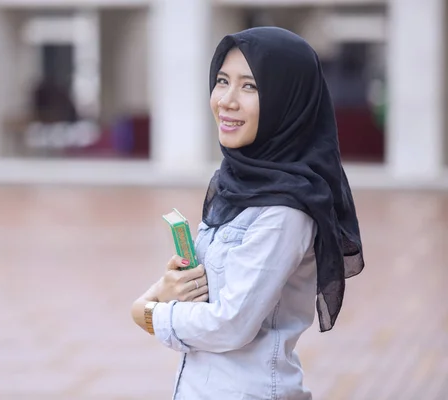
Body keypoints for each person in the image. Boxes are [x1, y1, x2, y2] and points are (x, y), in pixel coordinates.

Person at [131, 27, 364, 400]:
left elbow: (231, 324)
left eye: (250, 87)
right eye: (222, 81)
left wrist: (146, 312)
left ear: (288, 101)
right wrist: (166, 289)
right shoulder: (236, 183)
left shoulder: (286, 208)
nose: (226, 100)